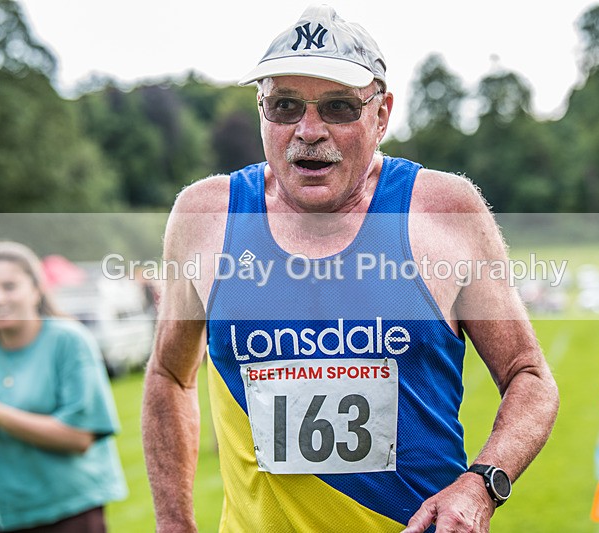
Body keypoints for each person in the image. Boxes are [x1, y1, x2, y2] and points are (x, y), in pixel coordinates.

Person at [142, 5, 559, 532]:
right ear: (260, 110)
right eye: (285, 105)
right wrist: (174, 523)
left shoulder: (442, 211)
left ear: (381, 115)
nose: (308, 131)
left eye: (338, 108)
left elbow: (530, 376)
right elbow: (168, 375)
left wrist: (480, 486)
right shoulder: (207, 216)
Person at [0, 241, 127, 533]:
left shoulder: (69, 341)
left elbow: (79, 437)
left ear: (36, 289)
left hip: (69, 510)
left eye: (10, 286)